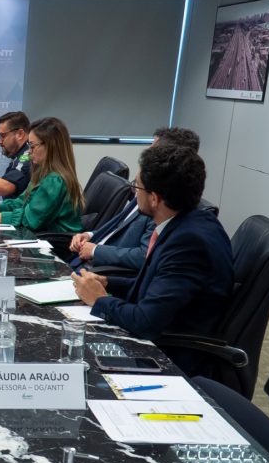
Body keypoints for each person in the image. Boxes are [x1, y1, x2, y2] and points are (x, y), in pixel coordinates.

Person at [72, 144, 234, 377]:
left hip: (168, 357)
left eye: (137, 187)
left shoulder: (189, 243)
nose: (134, 193)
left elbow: (145, 322)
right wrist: (108, 281)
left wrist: (99, 299)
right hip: (160, 335)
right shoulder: (188, 223)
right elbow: (157, 284)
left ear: (155, 198)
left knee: (72, 358)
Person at [68, 126, 201, 271]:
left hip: (99, 270)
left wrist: (95, 251)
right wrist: (89, 235)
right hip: (85, 261)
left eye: (152, 150)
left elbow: (145, 256)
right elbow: (118, 227)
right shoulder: (146, 191)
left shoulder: (162, 206)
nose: (146, 154)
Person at [0, 117, 83, 233]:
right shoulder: (42, 174)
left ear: (50, 146)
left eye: (32, 146)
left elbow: (29, 220)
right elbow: (20, 203)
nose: (29, 151)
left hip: (56, 245)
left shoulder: (54, 180)